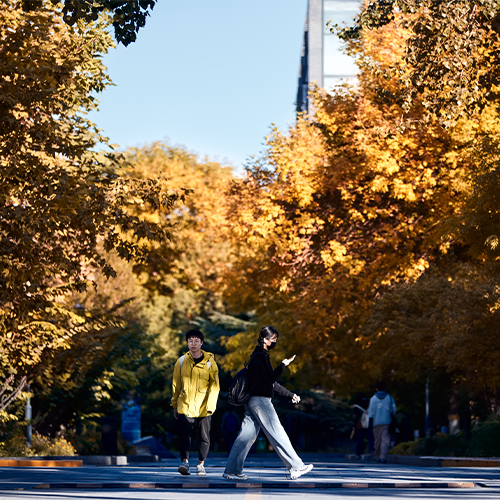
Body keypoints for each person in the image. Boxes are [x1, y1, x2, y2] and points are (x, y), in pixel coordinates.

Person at [223, 325, 314, 481]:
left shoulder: (257, 356)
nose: (274, 341)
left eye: (275, 339)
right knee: (277, 431)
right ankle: (296, 466)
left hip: (253, 401)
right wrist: (283, 365)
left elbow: (270, 383)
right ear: (264, 339)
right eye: (273, 339)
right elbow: (272, 379)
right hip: (260, 402)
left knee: (246, 437)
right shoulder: (260, 357)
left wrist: (290, 394)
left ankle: (231, 470)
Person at [171, 329, 220, 476]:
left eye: (196, 341)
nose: (193, 343)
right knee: (185, 435)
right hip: (185, 405)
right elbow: (176, 385)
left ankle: (201, 464)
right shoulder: (180, 362)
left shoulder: (210, 363)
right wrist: (174, 405)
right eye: (190, 341)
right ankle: (185, 463)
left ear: (201, 343)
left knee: (204, 436)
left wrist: (211, 406)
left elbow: (215, 386)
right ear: (187, 343)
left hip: (204, 406)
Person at [368, 381, 396, 464]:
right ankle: (383, 457)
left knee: (377, 440)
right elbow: (394, 410)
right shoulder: (389, 398)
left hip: (376, 423)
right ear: (385, 388)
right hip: (386, 422)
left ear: (376, 389)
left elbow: (371, 412)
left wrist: (370, 423)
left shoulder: (373, 399)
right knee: (385, 440)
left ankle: (377, 456)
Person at [352, 392, 374, 460]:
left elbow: (355, 416)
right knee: (371, 438)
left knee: (359, 439)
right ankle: (372, 451)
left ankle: (358, 453)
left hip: (360, 424)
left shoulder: (357, 406)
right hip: (369, 424)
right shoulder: (370, 404)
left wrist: (354, 425)